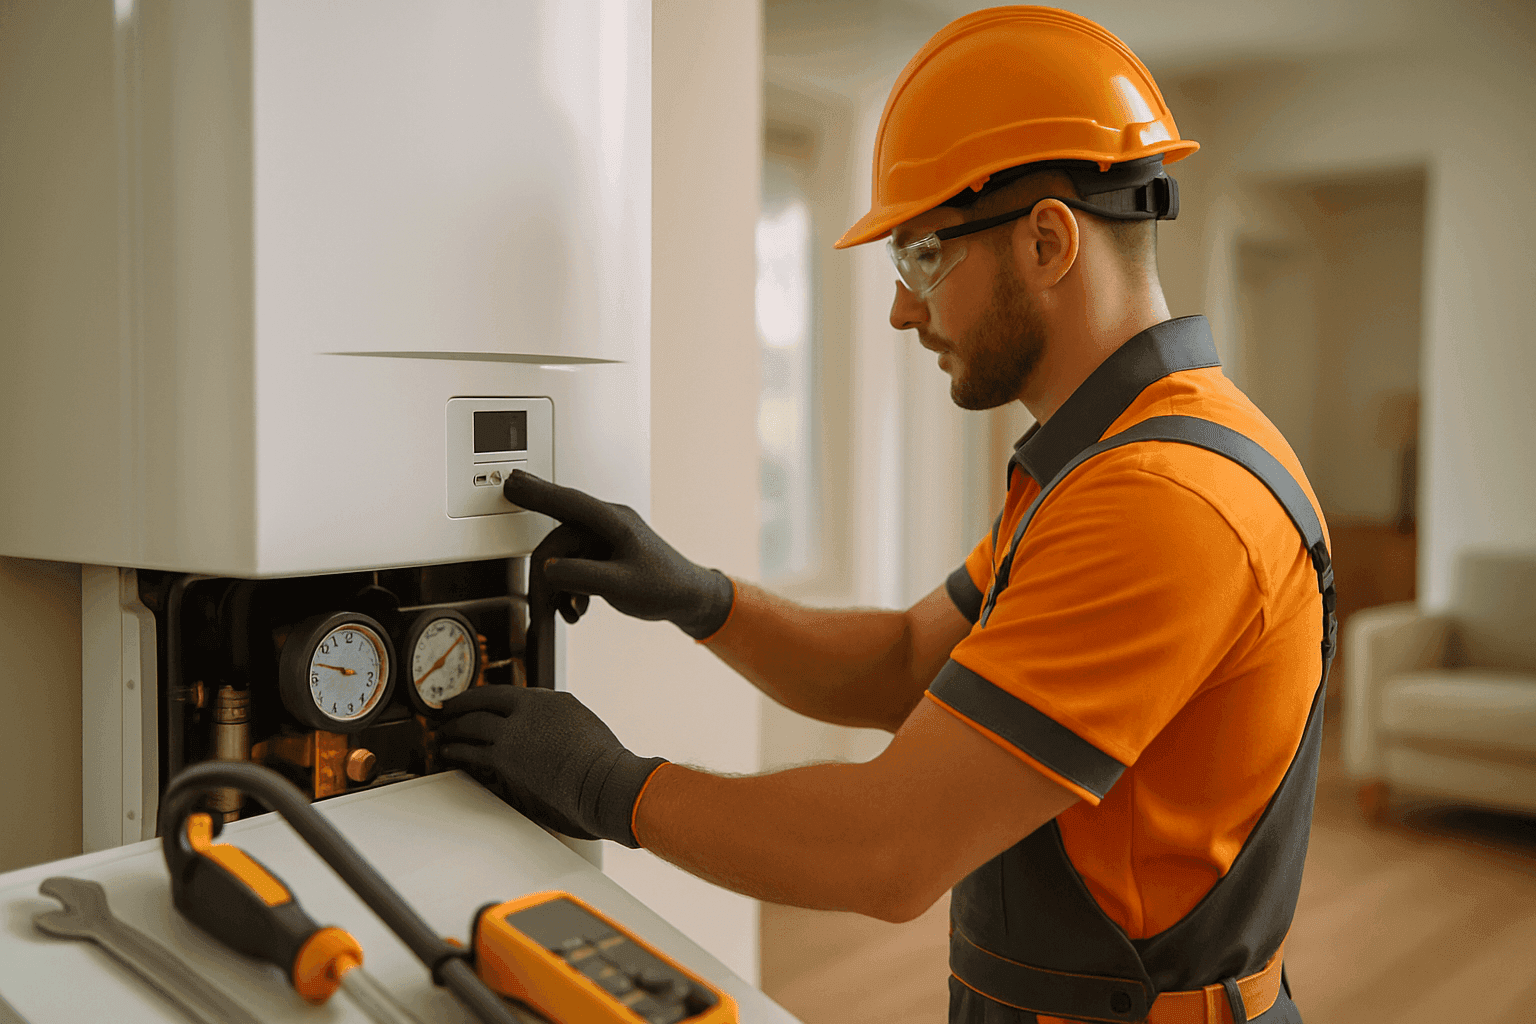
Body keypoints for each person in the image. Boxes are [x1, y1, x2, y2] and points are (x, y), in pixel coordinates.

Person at [439, 7, 1334, 1023]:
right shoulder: (1105, 458)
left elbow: (888, 848)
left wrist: (608, 783)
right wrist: (701, 598)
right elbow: (914, 661)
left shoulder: (1165, 500)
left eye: (922, 258)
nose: (905, 311)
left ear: (1047, 240)